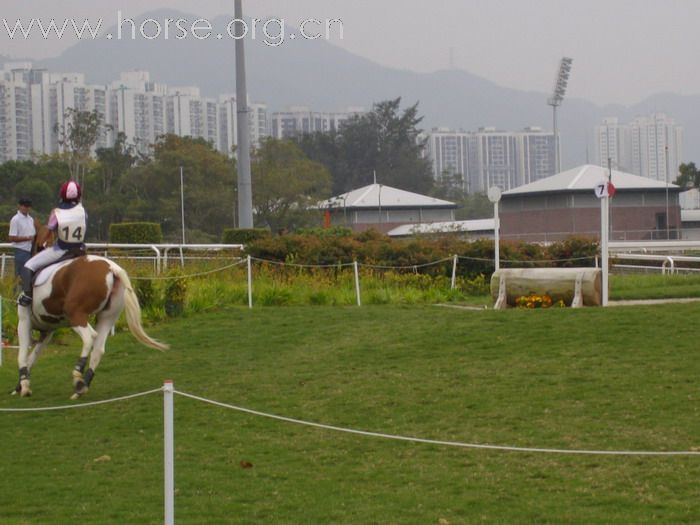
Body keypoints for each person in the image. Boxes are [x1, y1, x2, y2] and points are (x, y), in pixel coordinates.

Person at [17, 181, 87, 307]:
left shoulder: (57, 212)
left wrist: (41, 243)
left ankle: (27, 295)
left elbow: (47, 232)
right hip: (81, 249)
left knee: (28, 266)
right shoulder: (83, 211)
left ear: (62, 194)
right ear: (79, 195)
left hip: (62, 249)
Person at [8, 198, 36, 279]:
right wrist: (27, 238)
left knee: (28, 276)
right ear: (19, 206)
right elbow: (12, 237)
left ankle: (24, 291)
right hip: (21, 251)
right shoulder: (15, 219)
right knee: (20, 276)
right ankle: (16, 291)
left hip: (30, 251)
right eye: (24, 206)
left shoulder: (31, 219)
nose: (26, 208)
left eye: (28, 206)